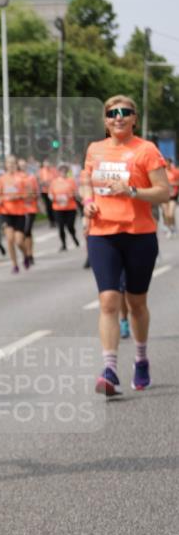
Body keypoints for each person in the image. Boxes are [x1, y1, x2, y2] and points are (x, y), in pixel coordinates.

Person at [81, 95, 169, 395]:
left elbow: (163, 192)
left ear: (134, 118)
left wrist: (132, 190)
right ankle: (110, 369)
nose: (118, 117)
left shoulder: (146, 150)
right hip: (102, 233)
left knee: (136, 303)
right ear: (105, 120)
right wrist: (88, 203)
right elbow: (86, 182)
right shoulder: (95, 149)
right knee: (108, 300)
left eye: (124, 112)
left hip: (139, 234)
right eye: (111, 113)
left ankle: (141, 358)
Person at [0, 155, 26, 273]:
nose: (11, 165)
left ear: (16, 165)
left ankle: (25, 255)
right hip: (6, 212)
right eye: (9, 163)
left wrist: (17, 196)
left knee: (19, 241)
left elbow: (28, 195)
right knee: (9, 239)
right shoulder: (2, 179)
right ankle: (15, 264)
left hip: (19, 212)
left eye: (13, 163)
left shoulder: (22, 178)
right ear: (6, 165)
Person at [49, 163, 80, 251]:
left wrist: (70, 195)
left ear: (67, 171)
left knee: (70, 226)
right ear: (58, 171)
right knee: (61, 227)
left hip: (70, 207)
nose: (63, 172)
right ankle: (63, 244)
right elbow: (50, 194)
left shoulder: (71, 181)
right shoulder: (54, 182)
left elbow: (76, 193)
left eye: (65, 170)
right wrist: (53, 197)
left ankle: (74, 237)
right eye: (61, 170)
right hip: (58, 208)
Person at [18, 157, 39, 268]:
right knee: (22, 234)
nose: (22, 167)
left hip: (30, 208)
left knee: (27, 231)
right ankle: (26, 253)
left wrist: (31, 196)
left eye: (24, 165)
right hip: (19, 210)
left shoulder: (31, 178)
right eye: (20, 165)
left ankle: (30, 254)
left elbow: (37, 193)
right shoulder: (16, 178)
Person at [161, 156, 179, 236]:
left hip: (173, 195)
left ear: (170, 163)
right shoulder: (162, 172)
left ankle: (172, 226)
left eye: (168, 163)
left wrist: (172, 184)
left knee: (171, 213)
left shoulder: (175, 172)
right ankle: (169, 229)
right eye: (165, 163)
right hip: (164, 195)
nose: (166, 164)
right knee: (166, 213)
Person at [38, 160, 58, 227]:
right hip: (45, 191)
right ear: (43, 164)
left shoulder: (53, 170)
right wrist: (44, 183)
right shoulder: (41, 171)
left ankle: (56, 219)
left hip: (54, 191)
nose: (47, 165)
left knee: (54, 205)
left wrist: (52, 183)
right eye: (45, 164)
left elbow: (57, 179)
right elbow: (39, 181)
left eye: (48, 164)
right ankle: (51, 221)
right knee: (48, 206)